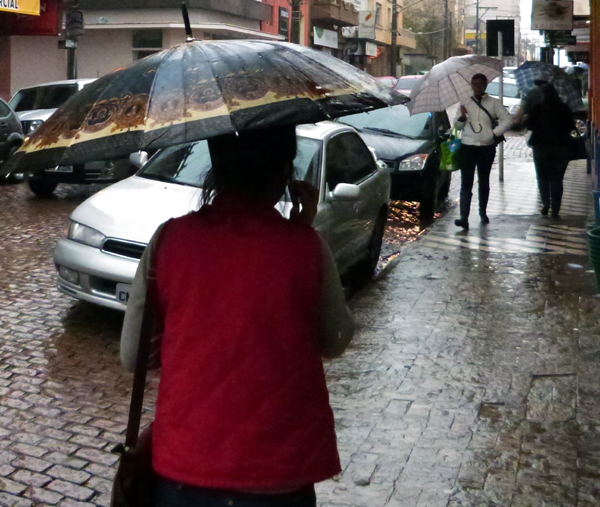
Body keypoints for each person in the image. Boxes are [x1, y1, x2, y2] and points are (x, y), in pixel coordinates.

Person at [120, 125, 354, 507]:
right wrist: (301, 235)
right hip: (279, 474)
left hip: (183, 468)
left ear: (216, 166)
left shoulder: (169, 241)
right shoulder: (306, 248)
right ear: (285, 173)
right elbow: (336, 339)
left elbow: (133, 356)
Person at [453, 73, 514, 230]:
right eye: (475, 83)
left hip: (486, 147)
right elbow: (457, 127)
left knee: (484, 180)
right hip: (468, 146)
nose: (478, 86)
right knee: (466, 182)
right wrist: (461, 115)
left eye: (481, 83)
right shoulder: (465, 103)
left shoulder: (494, 103)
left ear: (486, 85)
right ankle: (463, 217)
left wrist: (494, 134)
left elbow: (508, 119)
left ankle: (482, 212)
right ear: (471, 85)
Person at [524, 84, 575, 218]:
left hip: (541, 148)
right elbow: (571, 126)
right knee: (557, 179)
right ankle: (556, 209)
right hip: (561, 148)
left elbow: (529, 125)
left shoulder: (537, 108)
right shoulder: (563, 108)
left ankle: (546, 204)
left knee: (543, 178)